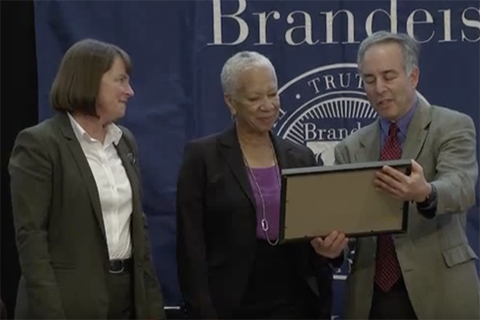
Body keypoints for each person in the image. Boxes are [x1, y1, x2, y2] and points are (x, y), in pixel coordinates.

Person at [176, 51, 348, 320]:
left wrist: (332, 251)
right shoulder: (203, 157)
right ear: (231, 102)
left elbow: (321, 230)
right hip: (230, 303)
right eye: (255, 98)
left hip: (297, 300)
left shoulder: (300, 156)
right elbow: (190, 246)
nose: (268, 105)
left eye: (272, 94)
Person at [9, 39, 165, 320]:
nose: (129, 91)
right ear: (90, 81)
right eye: (120, 80)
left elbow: (138, 230)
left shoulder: (125, 141)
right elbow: (31, 239)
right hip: (68, 302)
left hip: (127, 299)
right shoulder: (39, 144)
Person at [334, 31, 480, 320]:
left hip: (441, 292)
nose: (379, 88)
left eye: (389, 76)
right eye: (369, 79)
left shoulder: (452, 126)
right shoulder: (349, 149)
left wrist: (425, 193)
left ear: (413, 77)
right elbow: (347, 227)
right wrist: (332, 247)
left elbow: (461, 186)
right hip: (372, 299)